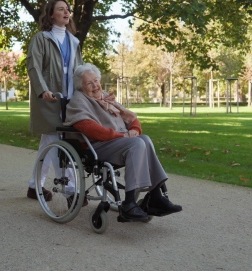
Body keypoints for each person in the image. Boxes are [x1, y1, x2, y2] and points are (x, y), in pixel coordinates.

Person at [63, 63, 182, 221]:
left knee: (144, 139)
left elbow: (132, 119)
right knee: (137, 143)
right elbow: (88, 128)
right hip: (96, 147)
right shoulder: (79, 101)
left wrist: (134, 130)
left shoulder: (107, 99)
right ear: (80, 86)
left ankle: (156, 196)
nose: (95, 86)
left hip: (118, 143)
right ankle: (129, 203)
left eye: (96, 80)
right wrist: (121, 136)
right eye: (89, 83)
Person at [26, 0, 86, 205]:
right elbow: (33, 66)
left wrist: (88, 91)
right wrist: (43, 90)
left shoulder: (74, 41)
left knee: (50, 142)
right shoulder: (41, 38)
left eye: (68, 9)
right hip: (50, 99)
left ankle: (34, 187)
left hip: (69, 99)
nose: (66, 12)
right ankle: (70, 191)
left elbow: (78, 70)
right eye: (61, 9)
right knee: (56, 141)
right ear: (51, 14)